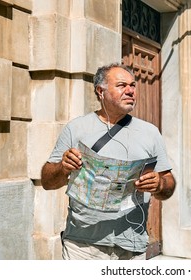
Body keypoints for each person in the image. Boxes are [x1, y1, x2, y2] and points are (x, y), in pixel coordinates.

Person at [40, 62, 176, 260]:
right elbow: (47, 182)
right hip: (83, 246)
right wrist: (63, 167)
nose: (130, 91)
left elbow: (168, 186)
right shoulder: (76, 128)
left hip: (132, 246)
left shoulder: (150, 133)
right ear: (100, 91)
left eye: (133, 85)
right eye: (122, 85)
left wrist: (159, 184)